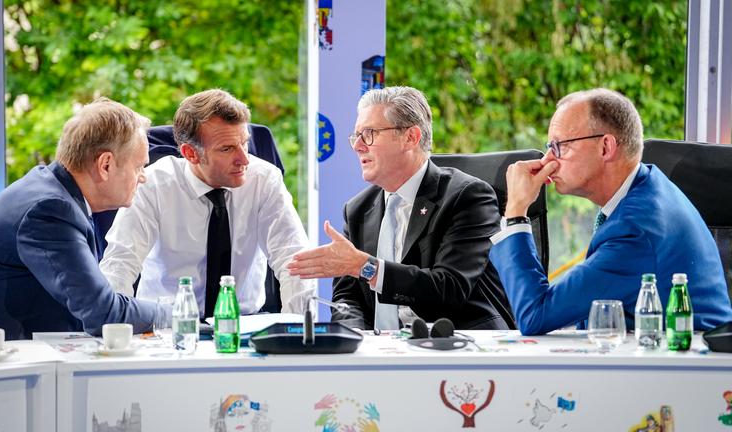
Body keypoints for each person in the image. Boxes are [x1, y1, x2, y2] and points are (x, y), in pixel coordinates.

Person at [489, 88, 732, 335]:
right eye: (549, 146)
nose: (548, 159)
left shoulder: (635, 231)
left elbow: (535, 315)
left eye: (560, 146)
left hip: (685, 366)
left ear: (605, 147)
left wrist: (516, 211)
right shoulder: (648, 185)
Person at [288, 86, 513, 330]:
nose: (358, 146)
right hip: (382, 355)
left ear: (411, 137)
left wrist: (367, 267)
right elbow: (347, 300)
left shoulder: (467, 196)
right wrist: (356, 341)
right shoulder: (357, 210)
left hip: (457, 348)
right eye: (356, 136)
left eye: (369, 133)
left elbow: (450, 288)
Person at [99, 89, 314, 317]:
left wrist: (296, 332)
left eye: (244, 143)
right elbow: (120, 263)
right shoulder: (154, 184)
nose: (244, 159)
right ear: (191, 154)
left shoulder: (264, 180)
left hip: (245, 325)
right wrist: (115, 330)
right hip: (168, 325)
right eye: (227, 148)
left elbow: (295, 261)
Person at [0, 98, 164, 339]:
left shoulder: (49, 189)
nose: (143, 177)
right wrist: (174, 315)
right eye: (139, 167)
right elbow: (103, 313)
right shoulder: (50, 210)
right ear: (105, 164)